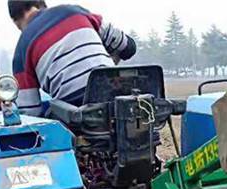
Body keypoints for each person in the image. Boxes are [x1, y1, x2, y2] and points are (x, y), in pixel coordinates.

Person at [8, 1, 136, 115]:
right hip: (119, 101)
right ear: (41, 5)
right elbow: (129, 47)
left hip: (78, 116)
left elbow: (30, 112)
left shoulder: (22, 49)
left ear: (15, 20)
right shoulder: (76, 12)